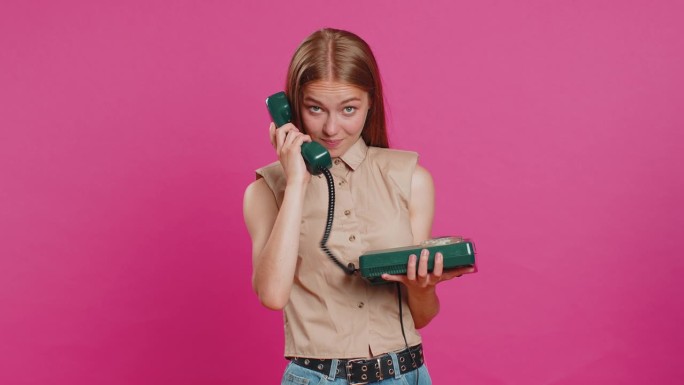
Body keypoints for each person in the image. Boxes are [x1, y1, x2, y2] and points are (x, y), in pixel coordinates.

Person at [243, 28, 475, 385]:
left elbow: (422, 317)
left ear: (371, 103)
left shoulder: (411, 179)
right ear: (289, 111)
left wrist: (422, 287)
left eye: (349, 109)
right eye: (315, 109)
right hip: (322, 377)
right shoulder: (266, 191)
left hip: (408, 373)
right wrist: (296, 184)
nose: (331, 128)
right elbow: (272, 295)